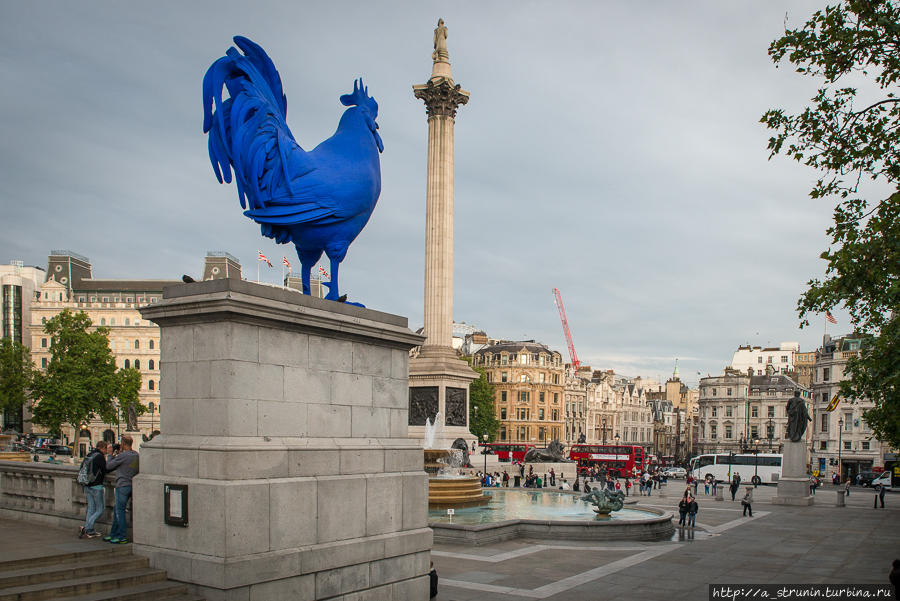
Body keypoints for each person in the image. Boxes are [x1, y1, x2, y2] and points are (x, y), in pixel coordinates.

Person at [104, 435, 139, 544]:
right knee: (117, 510)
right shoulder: (136, 455)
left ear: (123, 444)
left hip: (122, 485)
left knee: (120, 511)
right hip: (132, 484)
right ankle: (113, 534)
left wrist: (110, 455)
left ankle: (122, 536)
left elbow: (108, 467)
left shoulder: (123, 456)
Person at [79, 441, 110, 539]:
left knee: (91, 508)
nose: (106, 451)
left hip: (87, 484)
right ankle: (87, 528)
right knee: (100, 509)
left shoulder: (90, 454)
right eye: (106, 449)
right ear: (103, 448)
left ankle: (90, 531)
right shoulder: (100, 456)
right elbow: (105, 470)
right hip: (96, 486)